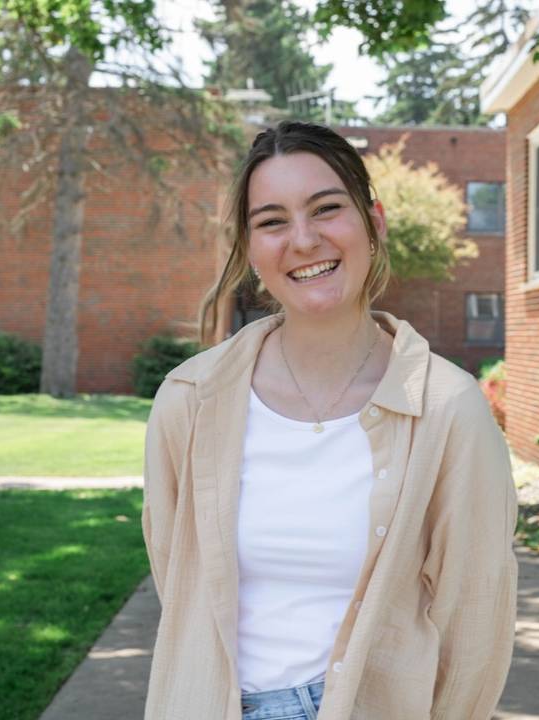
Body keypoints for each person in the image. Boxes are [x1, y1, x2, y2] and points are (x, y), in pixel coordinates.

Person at [141, 121, 517, 720]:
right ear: (248, 248)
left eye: (326, 209)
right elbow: (178, 578)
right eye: (271, 221)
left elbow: (474, 617)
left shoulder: (447, 409)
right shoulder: (190, 399)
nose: (304, 239)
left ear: (374, 222)